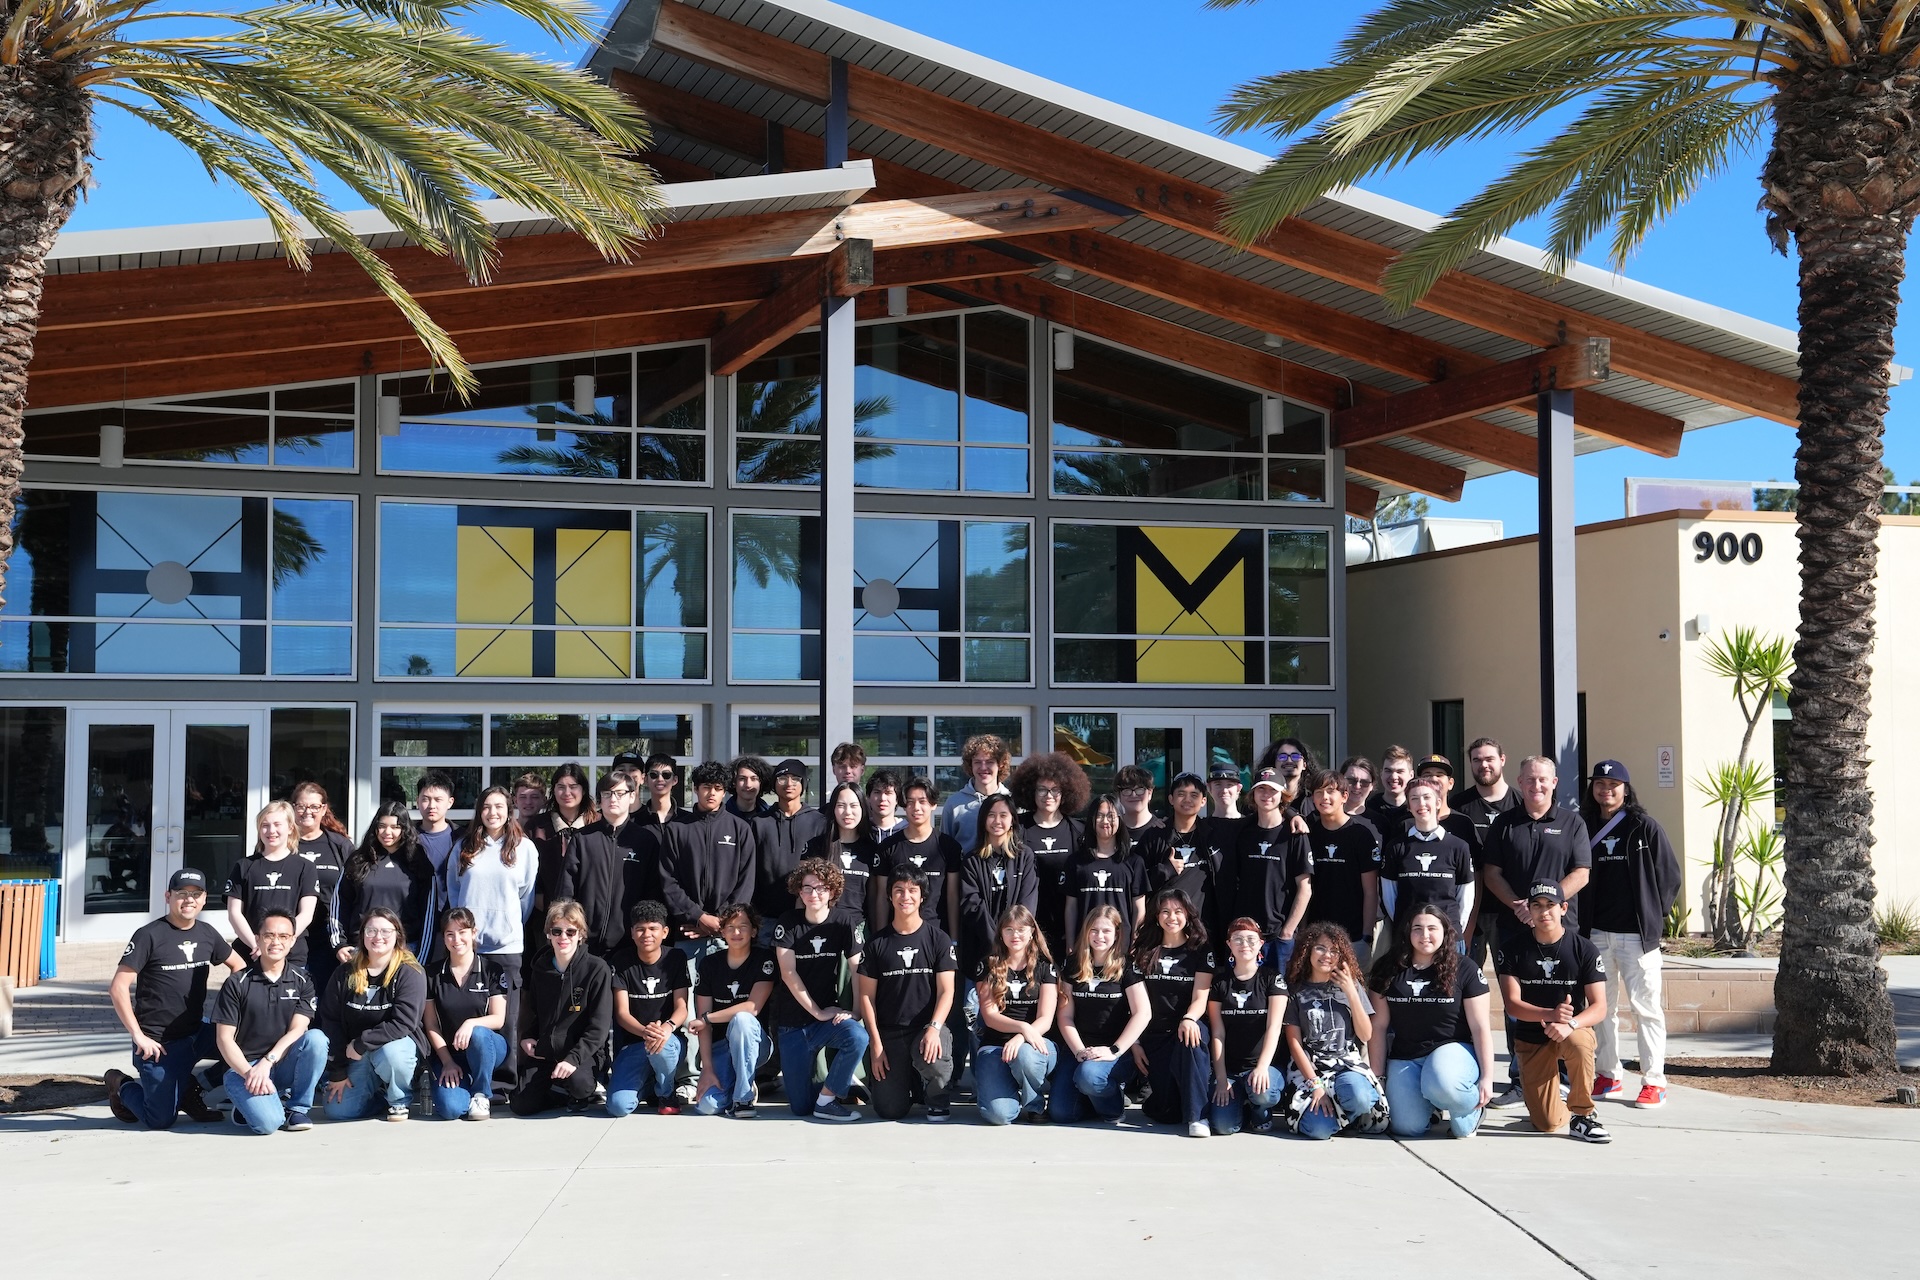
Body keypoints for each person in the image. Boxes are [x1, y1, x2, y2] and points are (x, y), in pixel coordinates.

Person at [1482, 756, 1592, 1108]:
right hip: (1513, 929)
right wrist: (1519, 903)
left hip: (1559, 931)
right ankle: (1520, 1080)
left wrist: (1544, 904)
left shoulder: (1572, 823)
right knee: (1518, 1006)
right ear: (1519, 782)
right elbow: (1491, 872)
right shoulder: (1504, 823)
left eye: (1543, 780)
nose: (1536, 786)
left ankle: (1564, 1080)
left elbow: (1582, 872)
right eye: (1529, 780)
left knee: (1565, 1002)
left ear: (1554, 782)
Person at [1578, 760, 1682, 1109]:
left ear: (1626, 788)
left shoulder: (1643, 826)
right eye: (1600, 784)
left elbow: (1669, 876)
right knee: (1601, 1009)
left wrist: (1653, 917)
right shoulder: (1584, 825)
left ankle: (1654, 1081)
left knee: (1646, 1009)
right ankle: (1608, 1074)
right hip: (1595, 935)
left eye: (1613, 784)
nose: (1606, 790)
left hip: (1637, 937)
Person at [104, 869, 244, 1128]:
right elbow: (118, 988)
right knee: (159, 1120)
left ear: (203, 900)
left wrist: (229, 1010)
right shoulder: (148, 935)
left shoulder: (207, 933)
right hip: (159, 1043)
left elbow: (239, 968)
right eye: (182, 894)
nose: (189, 900)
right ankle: (120, 1084)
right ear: (168, 897)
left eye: (196, 894)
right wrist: (139, 1036)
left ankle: (194, 1089)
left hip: (197, 1032)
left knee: (248, 1042)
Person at [1495, 882, 1611, 1142]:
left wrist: (1569, 1023)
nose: (1543, 912)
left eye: (1550, 906)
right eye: (1536, 905)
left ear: (1563, 908)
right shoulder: (1513, 948)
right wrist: (1551, 1014)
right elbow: (1512, 1005)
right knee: (1547, 1123)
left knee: (1580, 1042)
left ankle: (1582, 1115)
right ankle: (1552, 1096)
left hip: (1571, 1029)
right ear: (1529, 910)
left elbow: (1599, 1006)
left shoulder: (1584, 949)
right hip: (1531, 1036)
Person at [1368, 905, 1494, 1139]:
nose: (1425, 935)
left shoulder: (1465, 967)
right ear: (1407, 932)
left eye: (1432, 928)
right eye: (1417, 928)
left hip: (1452, 1049)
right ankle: (1430, 1105)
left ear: (1446, 933)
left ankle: (1472, 1107)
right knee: (1407, 1128)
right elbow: (1379, 1026)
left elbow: (1480, 1027)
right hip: (1407, 1055)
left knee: (1455, 1115)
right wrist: (1379, 1077)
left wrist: (1487, 1077)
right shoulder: (1387, 968)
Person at [441, 784, 538, 1078]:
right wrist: (466, 932)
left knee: (507, 1018)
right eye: (486, 807)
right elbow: (454, 891)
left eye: (498, 807)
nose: (492, 812)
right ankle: (470, 1074)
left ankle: (504, 1082)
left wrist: (506, 924)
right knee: (471, 1014)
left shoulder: (524, 848)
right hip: (470, 947)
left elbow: (526, 896)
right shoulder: (464, 846)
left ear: (510, 811)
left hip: (507, 947)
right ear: (479, 812)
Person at [769, 858, 870, 1121]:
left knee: (857, 1036)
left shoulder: (843, 921)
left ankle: (827, 1099)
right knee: (800, 1108)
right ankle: (836, 1087)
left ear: (832, 891)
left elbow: (858, 968)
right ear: (798, 891)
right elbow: (788, 973)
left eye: (821, 888)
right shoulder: (788, 922)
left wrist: (856, 1012)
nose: (814, 894)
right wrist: (817, 1012)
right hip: (793, 1023)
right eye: (807, 888)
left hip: (826, 1019)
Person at [212, 907, 328, 1134]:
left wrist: (269, 1061)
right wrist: (250, 1073)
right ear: (257, 939)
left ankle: (296, 1108)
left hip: (279, 1063)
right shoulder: (238, 982)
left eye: (284, 936)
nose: (276, 942)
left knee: (316, 1039)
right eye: (269, 935)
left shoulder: (303, 980)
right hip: (245, 1068)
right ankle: (248, 1103)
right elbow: (224, 1039)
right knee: (268, 1125)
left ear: (293, 941)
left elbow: (299, 1028)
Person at [857, 871, 957, 1121]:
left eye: (913, 890)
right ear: (890, 896)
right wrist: (876, 1044)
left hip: (926, 1028)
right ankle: (908, 1079)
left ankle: (935, 1097)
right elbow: (866, 997)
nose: (906, 896)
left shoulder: (938, 939)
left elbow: (947, 990)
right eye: (899, 890)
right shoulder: (876, 944)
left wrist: (934, 1028)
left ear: (922, 897)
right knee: (889, 1110)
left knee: (935, 1059)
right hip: (889, 1033)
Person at [318, 907, 428, 1122]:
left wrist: (361, 1043)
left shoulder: (410, 971)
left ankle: (398, 1100)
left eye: (386, 931)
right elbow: (330, 1021)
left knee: (392, 1054)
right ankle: (379, 1098)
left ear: (397, 935)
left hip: (391, 1046)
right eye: (371, 931)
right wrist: (338, 1070)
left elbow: (404, 1022)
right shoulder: (345, 971)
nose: (378, 937)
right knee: (338, 1111)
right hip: (355, 1053)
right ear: (362, 936)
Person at [1279, 922, 1388, 1140]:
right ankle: (1338, 1118)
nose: (1327, 955)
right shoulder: (1295, 990)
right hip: (1309, 1069)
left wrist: (1350, 991)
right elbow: (1295, 1044)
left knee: (1361, 1098)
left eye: (1334, 950)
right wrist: (1316, 1086)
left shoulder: (1352, 986)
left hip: (1344, 1065)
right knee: (1318, 1131)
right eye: (1320, 948)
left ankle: (1340, 1113)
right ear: (1308, 950)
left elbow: (1366, 1035)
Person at [510, 899, 613, 1116]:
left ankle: (581, 1088)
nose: (563, 937)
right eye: (556, 931)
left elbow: (599, 1027)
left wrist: (573, 1059)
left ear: (581, 934)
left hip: (582, 1053)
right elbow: (536, 1013)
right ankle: (559, 1091)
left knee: (579, 1083)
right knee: (521, 1105)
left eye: (570, 931)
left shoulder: (597, 968)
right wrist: (528, 1036)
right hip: (547, 1051)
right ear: (548, 934)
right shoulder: (541, 967)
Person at [1050, 905, 1150, 1123]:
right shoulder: (1073, 965)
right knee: (1061, 1113)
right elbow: (1064, 1016)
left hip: (1116, 1051)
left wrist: (1114, 1050)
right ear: (1086, 932)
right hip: (1080, 1049)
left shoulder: (1127, 967)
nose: (1099, 936)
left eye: (1106, 931)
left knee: (1089, 1076)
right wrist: (1079, 1051)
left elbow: (1143, 1013)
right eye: (1094, 930)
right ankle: (1092, 1094)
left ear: (1116, 934)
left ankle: (1112, 1108)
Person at [1129, 889, 1215, 1137]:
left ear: (1188, 914)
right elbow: (1132, 1002)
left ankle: (1199, 1118)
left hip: (1186, 1027)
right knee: (1166, 1113)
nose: (1171, 917)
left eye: (1178, 911)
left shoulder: (1200, 949)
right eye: (1165, 911)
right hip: (1154, 1036)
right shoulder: (1143, 950)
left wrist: (1189, 1018)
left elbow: (1201, 996)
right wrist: (1135, 1042)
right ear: (1156, 917)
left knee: (1193, 1035)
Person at [658, 760, 758, 968]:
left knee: (728, 997)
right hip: (688, 934)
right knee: (689, 999)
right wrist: (698, 917)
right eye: (706, 787)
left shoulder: (740, 829)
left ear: (725, 792)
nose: (711, 793)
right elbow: (668, 880)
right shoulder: (676, 829)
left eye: (718, 788)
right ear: (695, 789)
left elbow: (746, 881)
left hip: (729, 934)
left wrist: (720, 921)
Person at [1217, 768, 1313, 971]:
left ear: (1282, 795)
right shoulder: (1243, 831)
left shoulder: (1295, 834)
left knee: (1280, 997)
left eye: (1273, 790)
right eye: (1261, 789)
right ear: (1253, 795)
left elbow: (1305, 888)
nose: (1267, 795)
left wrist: (1287, 932)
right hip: (1244, 934)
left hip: (1278, 936)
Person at [971, 904, 1058, 1125]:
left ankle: (1034, 1104)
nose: (1015, 935)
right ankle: (1008, 1088)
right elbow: (990, 1016)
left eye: (1021, 929)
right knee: (998, 1115)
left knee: (1025, 1056)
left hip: (1036, 1043)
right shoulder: (987, 965)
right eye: (1009, 929)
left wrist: (1022, 1036)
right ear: (1000, 933)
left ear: (1032, 932)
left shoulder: (1045, 967)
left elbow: (1046, 1019)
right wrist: (1021, 1026)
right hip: (995, 1046)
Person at [423, 906, 510, 1120]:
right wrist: (447, 1062)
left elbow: (498, 1019)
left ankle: (481, 1093)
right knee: (451, 1109)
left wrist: (470, 1023)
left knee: (479, 1033)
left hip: (487, 1046)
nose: (456, 939)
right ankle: (465, 1088)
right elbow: (431, 1024)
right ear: (443, 938)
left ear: (473, 933)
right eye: (450, 934)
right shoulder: (431, 974)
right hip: (450, 1053)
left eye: (462, 932)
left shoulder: (492, 969)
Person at [607, 899, 693, 1116]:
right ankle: (650, 1086)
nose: (647, 934)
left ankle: (666, 1093)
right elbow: (622, 1013)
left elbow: (682, 1007)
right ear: (632, 933)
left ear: (664, 932)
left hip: (668, 1040)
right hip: (635, 1042)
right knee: (618, 1107)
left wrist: (666, 1028)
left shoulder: (676, 957)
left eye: (653, 928)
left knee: (662, 1046)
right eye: (641, 929)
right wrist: (646, 1032)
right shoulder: (622, 960)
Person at [690, 903, 777, 1117]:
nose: (736, 932)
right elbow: (703, 1023)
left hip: (756, 1044)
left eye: (743, 926)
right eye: (730, 927)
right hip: (721, 1046)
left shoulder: (764, 960)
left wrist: (708, 1019)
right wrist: (707, 1069)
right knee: (707, 1107)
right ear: (722, 931)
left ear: (754, 931)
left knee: (742, 1019)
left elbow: (752, 1007)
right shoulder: (709, 964)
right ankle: (739, 1082)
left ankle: (743, 1098)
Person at [1007, 751, 1090, 955]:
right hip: (1027, 922)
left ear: (1067, 792)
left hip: (1069, 923)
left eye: (1055, 790)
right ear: (1030, 792)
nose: (1049, 796)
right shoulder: (1018, 829)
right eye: (1042, 790)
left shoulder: (1078, 830)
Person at [1301, 768, 1381, 968]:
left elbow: (1371, 891)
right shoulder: (1308, 832)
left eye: (1330, 791)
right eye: (1318, 792)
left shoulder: (1360, 834)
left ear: (1344, 796)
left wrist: (1366, 937)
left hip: (1352, 935)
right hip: (1315, 933)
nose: (1324, 797)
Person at [226, 799, 319, 969]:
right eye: (265, 825)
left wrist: (282, 942)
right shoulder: (244, 866)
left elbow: (306, 914)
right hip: (251, 952)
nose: (271, 831)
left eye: (277, 824)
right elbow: (234, 913)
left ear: (290, 828)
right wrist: (257, 944)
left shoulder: (305, 867)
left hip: (291, 954)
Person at [554, 768, 637, 956]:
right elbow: (566, 891)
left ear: (632, 797)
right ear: (600, 799)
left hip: (630, 945)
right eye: (607, 794)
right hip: (585, 944)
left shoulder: (645, 840)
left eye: (620, 793)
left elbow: (652, 893)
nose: (613, 799)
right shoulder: (583, 838)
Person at [1378, 778, 1475, 938]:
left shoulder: (1458, 846)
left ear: (1438, 802)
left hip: (1448, 935)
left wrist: (1453, 931)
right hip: (1408, 936)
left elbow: (1465, 897)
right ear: (1409, 806)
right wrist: (1406, 928)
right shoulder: (1396, 847)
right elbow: (1390, 896)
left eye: (1427, 797)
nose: (1421, 803)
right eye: (1414, 799)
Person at [334, 802, 433, 956]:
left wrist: (422, 955)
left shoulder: (418, 862)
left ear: (405, 829)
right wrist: (339, 943)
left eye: (395, 827)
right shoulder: (358, 859)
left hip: (405, 950)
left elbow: (428, 912)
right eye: (382, 826)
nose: (387, 832)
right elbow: (341, 901)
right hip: (361, 948)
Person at [1454, 738, 1518, 966]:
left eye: (1489, 758)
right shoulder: (1458, 806)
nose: (1484, 765)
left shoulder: (1521, 805)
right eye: (1477, 760)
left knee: (1514, 981)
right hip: (1471, 911)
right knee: (1465, 977)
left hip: (1511, 910)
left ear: (1502, 760)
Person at [1136, 771, 1224, 936]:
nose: (1188, 800)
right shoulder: (1154, 837)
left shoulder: (1214, 836)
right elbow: (1135, 882)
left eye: (1194, 795)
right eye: (1181, 794)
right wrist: (1164, 871)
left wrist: (1290, 813)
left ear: (1204, 801)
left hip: (1203, 930)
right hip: (1162, 930)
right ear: (1171, 799)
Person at [750, 758, 830, 939]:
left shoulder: (819, 823)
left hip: (807, 917)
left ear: (804, 783)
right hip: (765, 919)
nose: (789, 783)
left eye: (795, 778)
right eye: (782, 778)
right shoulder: (759, 823)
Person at [875, 776, 962, 937]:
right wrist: (879, 938)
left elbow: (952, 896)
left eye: (922, 801)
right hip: (897, 934)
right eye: (910, 802)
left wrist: (955, 939)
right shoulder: (888, 847)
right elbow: (881, 896)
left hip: (938, 933)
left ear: (933, 804)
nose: (916, 808)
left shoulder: (948, 847)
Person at [523, 762, 597, 951]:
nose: (567, 793)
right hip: (546, 921)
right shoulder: (536, 827)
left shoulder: (597, 824)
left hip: (591, 919)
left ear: (583, 789)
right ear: (553, 790)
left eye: (573, 787)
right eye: (561, 787)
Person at [291, 781, 353, 995]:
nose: (307, 812)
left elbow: (354, 890)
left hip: (328, 933)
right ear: (292, 808)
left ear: (324, 809)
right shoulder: (281, 843)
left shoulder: (340, 846)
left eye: (314, 807)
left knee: (325, 994)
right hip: (292, 932)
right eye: (301, 806)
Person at [1062, 794, 1146, 949]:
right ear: (1091, 820)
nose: (1105, 821)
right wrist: (1070, 944)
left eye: (1111, 816)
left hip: (1121, 949)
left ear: (1120, 819)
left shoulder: (1133, 862)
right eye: (1099, 816)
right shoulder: (1076, 862)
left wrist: (1135, 942)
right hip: (1084, 949)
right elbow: (1071, 907)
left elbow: (1139, 908)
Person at [805, 781, 881, 927]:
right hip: (820, 927)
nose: (847, 812)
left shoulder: (872, 849)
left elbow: (874, 898)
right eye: (841, 806)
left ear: (863, 809)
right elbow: (802, 894)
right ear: (833, 809)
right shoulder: (817, 846)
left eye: (853, 806)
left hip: (858, 929)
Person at [940, 733, 1012, 849]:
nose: (983, 768)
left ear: (1000, 765)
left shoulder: (1012, 802)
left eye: (990, 762)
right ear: (970, 765)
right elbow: (945, 848)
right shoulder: (954, 804)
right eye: (977, 762)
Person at [1254, 737, 1318, 813]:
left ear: (1304, 765)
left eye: (1295, 756)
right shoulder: (1261, 798)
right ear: (1274, 763)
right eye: (1282, 757)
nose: (1289, 760)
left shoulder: (1315, 799)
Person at [1366, 746, 1414, 826]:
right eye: (1388, 771)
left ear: (1411, 775)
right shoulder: (1368, 809)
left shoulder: (1417, 811)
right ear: (1381, 774)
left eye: (1400, 771)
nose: (1394, 777)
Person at [1112, 764, 1160, 840]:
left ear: (1150, 793)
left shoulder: (1160, 829)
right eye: (1127, 790)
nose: (1133, 795)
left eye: (1140, 790)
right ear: (1119, 795)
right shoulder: (1112, 829)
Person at [727, 755, 771, 819]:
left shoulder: (770, 816)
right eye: (742, 779)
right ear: (734, 782)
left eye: (754, 779)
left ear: (761, 782)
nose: (748, 785)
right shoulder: (722, 817)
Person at [866, 769, 905, 839]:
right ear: (868, 797)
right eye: (877, 792)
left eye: (888, 793)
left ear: (897, 798)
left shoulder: (907, 832)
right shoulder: (860, 832)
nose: (882, 798)